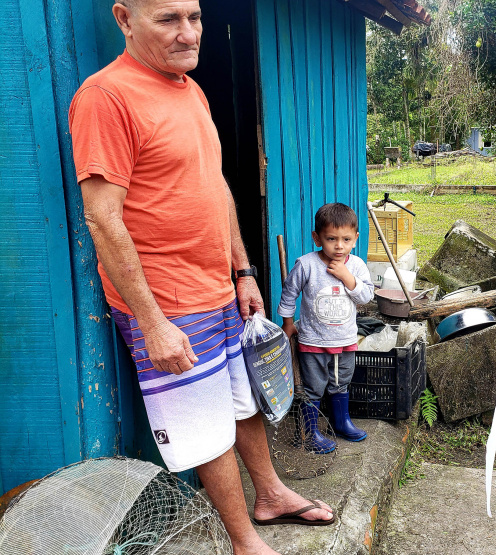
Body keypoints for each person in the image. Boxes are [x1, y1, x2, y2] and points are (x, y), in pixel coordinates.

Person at [68, 1, 334, 553]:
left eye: (195, 17)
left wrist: (243, 270)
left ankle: (270, 494)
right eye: (169, 19)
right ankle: (244, 542)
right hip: (167, 302)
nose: (189, 33)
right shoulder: (105, 97)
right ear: (124, 19)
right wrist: (152, 323)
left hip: (217, 286)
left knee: (243, 400)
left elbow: (216, 186)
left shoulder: (191, 90)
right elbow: (102, 218)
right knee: (205, 427)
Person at [278, 203, 374, 453]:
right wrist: (288, 324)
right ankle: (310, 433)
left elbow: (366, 297)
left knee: (341, 382)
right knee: (312, 387)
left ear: (355, 238)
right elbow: (289, 294)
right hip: (313, 341)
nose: (339, 246)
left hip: (345, 341)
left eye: (346, 239)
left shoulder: (356, 266)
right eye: (331, 239)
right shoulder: (306, 265)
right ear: (317, 238)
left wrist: (346, 276)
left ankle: (341, 423)